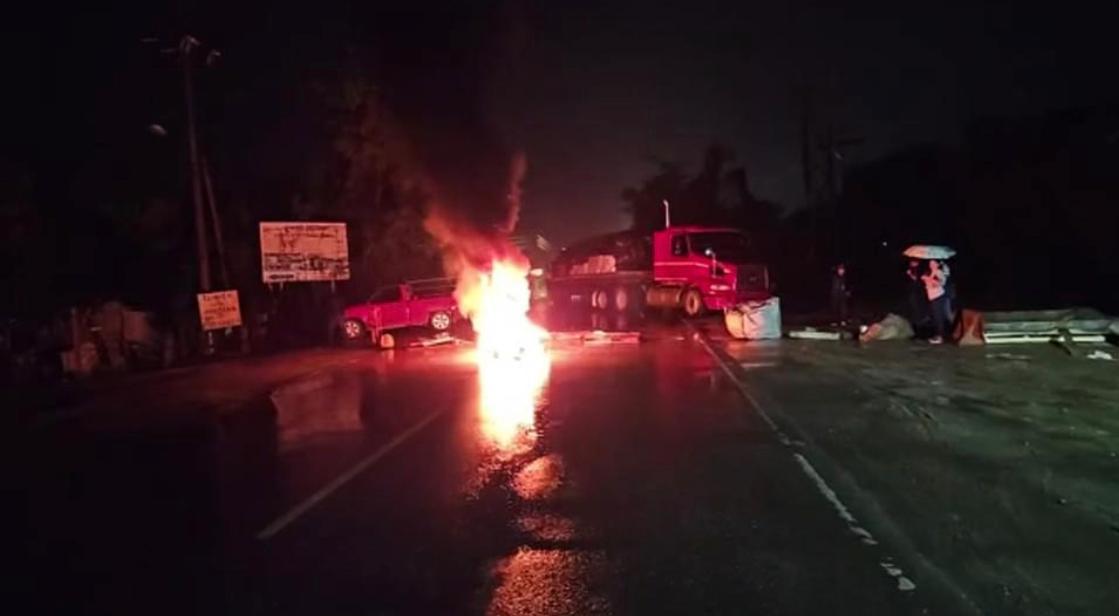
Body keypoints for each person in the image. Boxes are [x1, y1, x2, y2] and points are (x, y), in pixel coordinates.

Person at [921, 259, 951, 344]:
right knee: (934, 316)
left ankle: (940, 337)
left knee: (938, 317)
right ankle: (937, 335)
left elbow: (941, 283)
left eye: (934, 263)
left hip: (938, 296)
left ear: (937, 265)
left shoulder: (939, 272)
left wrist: (931, 279)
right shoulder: (929, 271)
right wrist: (929, 278)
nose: (932, 265)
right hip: (932, 296)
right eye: (930, 263)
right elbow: (923, 278)